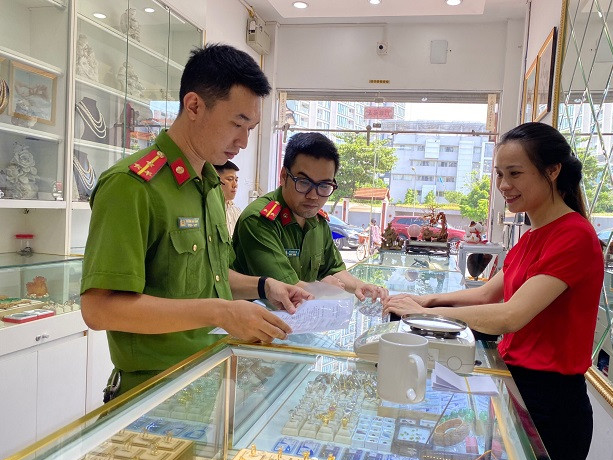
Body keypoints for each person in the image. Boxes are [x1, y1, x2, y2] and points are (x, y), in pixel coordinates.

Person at [80, 44, 311, 399]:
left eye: (251, 128)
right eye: (237, 123)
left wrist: (265, 287)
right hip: (153, 392)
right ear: (194, 106)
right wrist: (220, 313)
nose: (243, 142)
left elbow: (208, 276)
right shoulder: (132, 186)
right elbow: (99, 309)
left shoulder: (208, 184)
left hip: (211, 375)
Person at [383, 122, 604, 460]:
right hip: (517, 386)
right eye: (500, 174)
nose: (503, 185)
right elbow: (487, 294)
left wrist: (425, 313)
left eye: (515, 173)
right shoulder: (531, 236)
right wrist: (426, 298)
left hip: (550, 402)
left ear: (552, 171)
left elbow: (510, 315)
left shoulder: (574, 236)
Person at [232, 132, 387, 301]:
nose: (313, 196)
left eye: (324, 186)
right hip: (257, 315)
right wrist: (323, 288)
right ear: (283, 176)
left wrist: (358, 285)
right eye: (304, 183)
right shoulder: (259, 220)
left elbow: (333, 269)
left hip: (301, 314)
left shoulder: (317, 221)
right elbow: (285, 289)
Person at [214, 160, 242, 236]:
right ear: (215, 180)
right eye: (230, 179)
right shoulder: (210, 210)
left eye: (236, 180)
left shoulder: (236, 211)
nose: (235, 185)